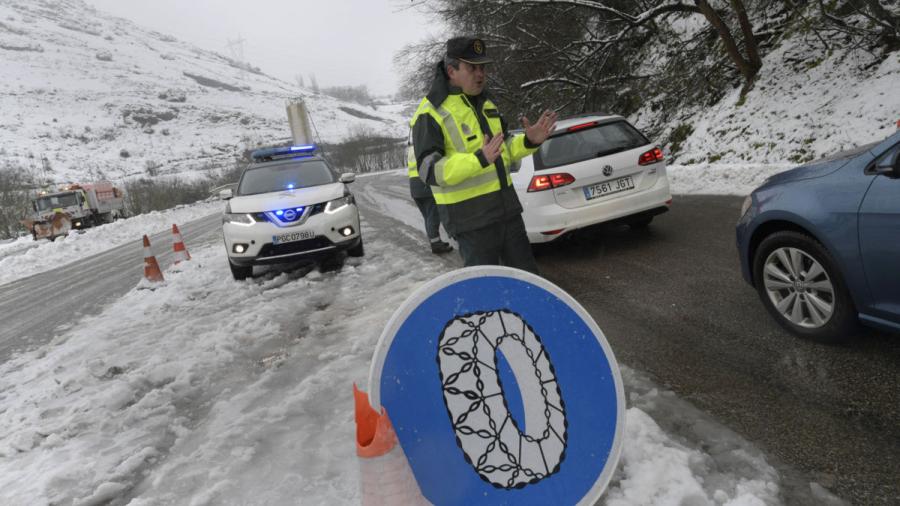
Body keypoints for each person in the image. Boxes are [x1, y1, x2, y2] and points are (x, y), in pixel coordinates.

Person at [410, 36, 557, 274]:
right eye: (472, 68)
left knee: (528, 283)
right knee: (488, 293)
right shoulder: (431, 112)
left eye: (482, 68)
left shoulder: (486, 104)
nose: (480, 74)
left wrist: (530, 141)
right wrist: (477, 159)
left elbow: (503, 149)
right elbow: (429, 170)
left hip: (507, 214)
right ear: (451, 71)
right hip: (470, 222)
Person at [406, 125, 454, 254]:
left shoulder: (410, 150)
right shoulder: (420, 147)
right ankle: (436, 244)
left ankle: (434, 241)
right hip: (424, 185)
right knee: (433, 215)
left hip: (414, 186)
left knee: (427, 216)